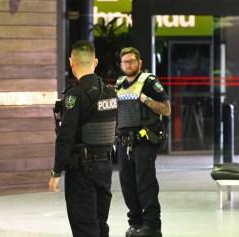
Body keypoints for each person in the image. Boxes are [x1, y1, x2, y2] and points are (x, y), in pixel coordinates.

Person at [48, 40, 117, 237]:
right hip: (105, 168)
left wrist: (56, 172)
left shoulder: (74, 95)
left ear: (71, 61)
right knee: (100, 224)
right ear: (95, 62)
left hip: (82, 170)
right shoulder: (110, 92)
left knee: (84, 228)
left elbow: (65, 136)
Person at [115, 47, 171, 237]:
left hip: (144, 140)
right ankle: (136, 223)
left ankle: (152, 226)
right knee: (127, 184)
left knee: (145, 184)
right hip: (124, 142)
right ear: (121, 64)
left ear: (140, 63)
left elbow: (166, 109)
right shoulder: (119, 84)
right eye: (125, 61)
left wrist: (144, 99)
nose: (128, 64)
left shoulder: (149, 82)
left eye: (132, 61)